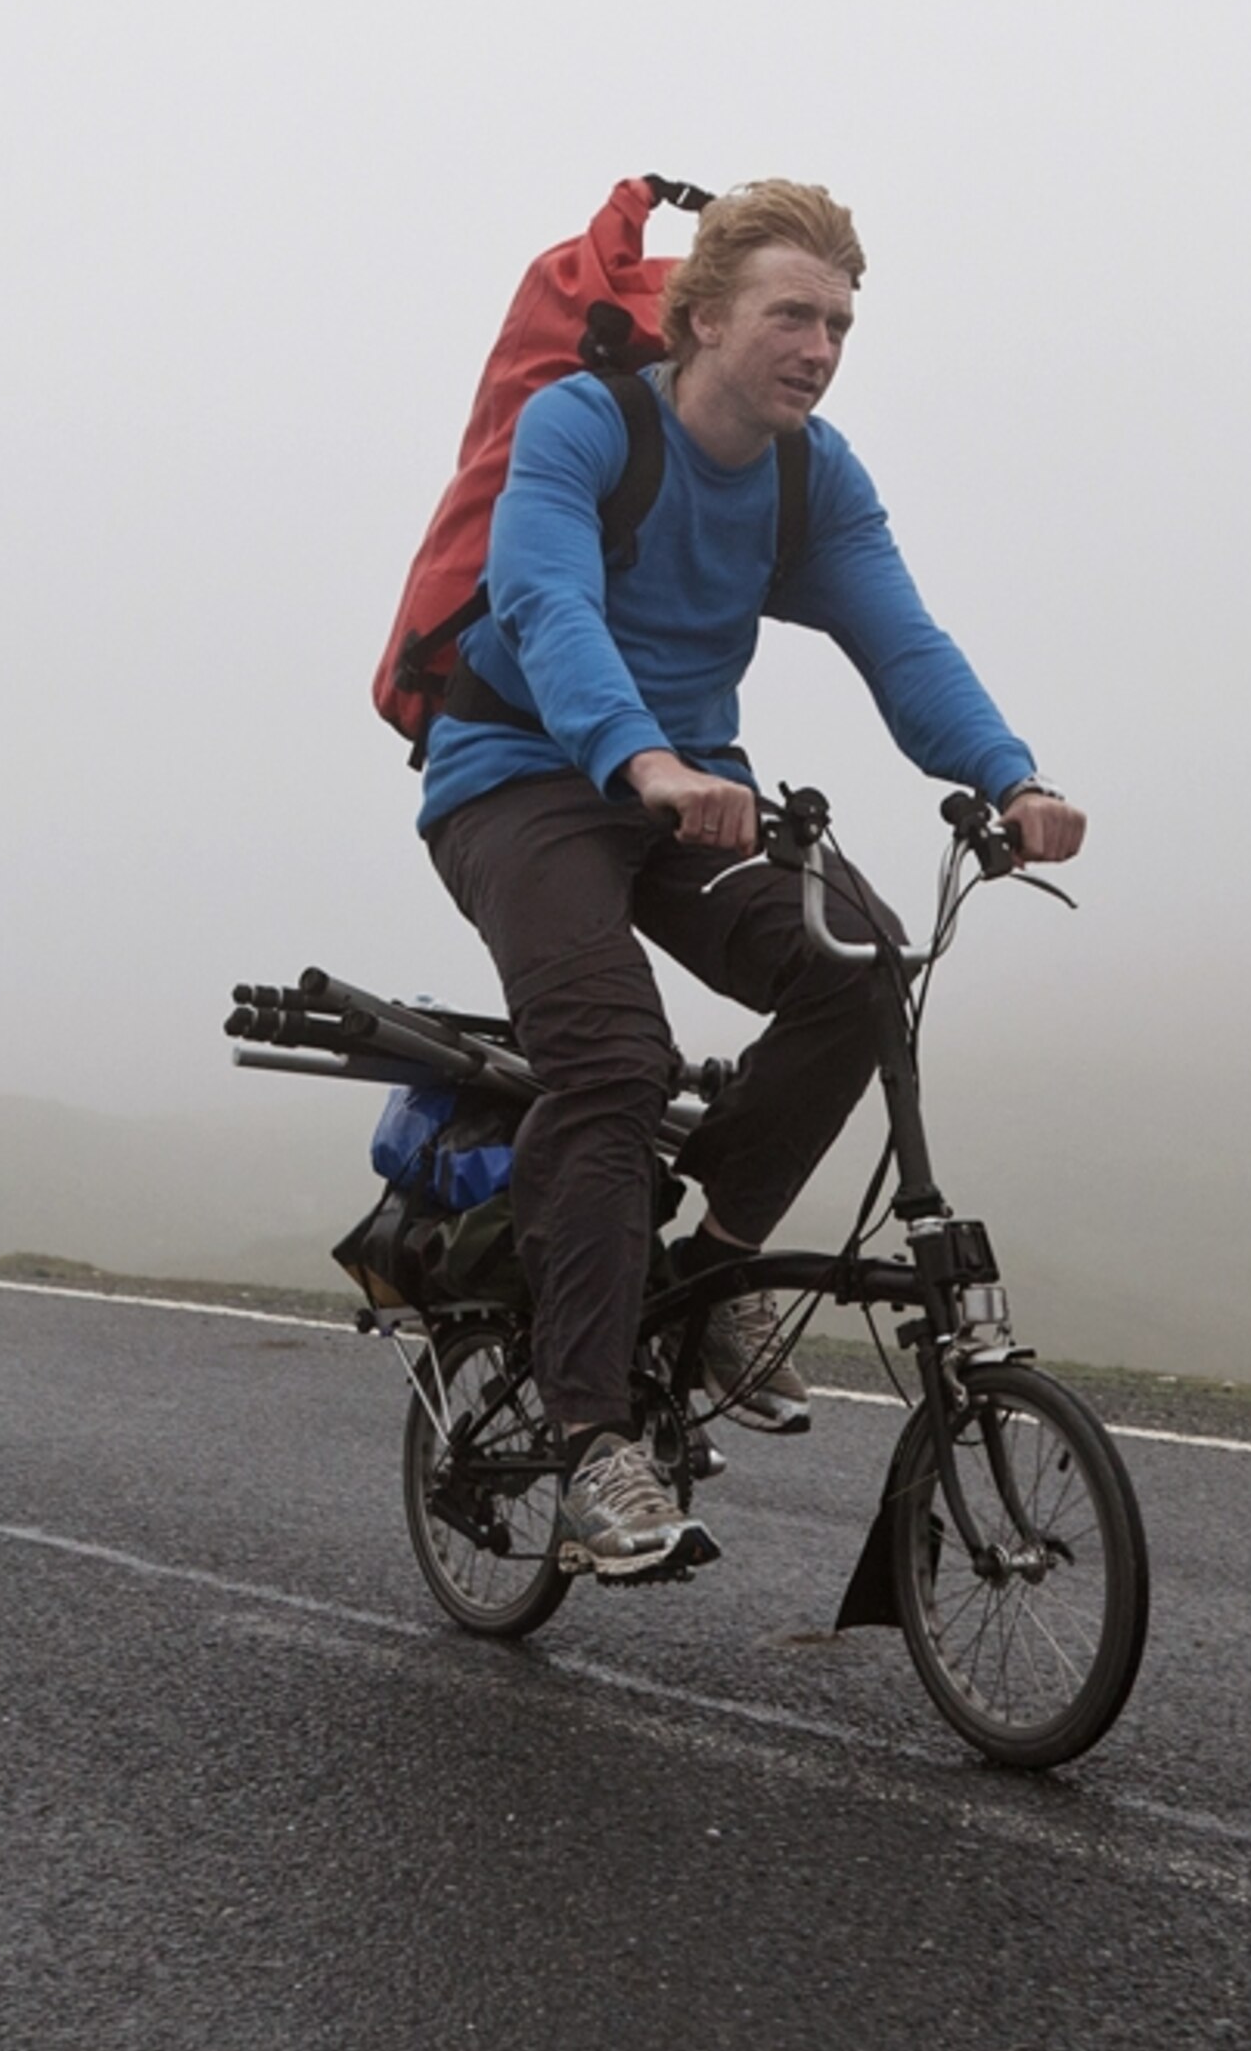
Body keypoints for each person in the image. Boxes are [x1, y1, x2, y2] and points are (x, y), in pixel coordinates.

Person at [416, 179, 1083, 1580]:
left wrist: (1008, 776)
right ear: (704, 316)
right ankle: (597, 1440)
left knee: (863, 967)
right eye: (794, 313)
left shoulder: (809, 473)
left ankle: (711, 1275)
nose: (823, 345)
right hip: (521, 776)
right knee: (610, 1058)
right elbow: (543, 604)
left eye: (841, 322)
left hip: (691, 787)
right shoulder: (587, 424)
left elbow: (900, 636)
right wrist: (642, 759)